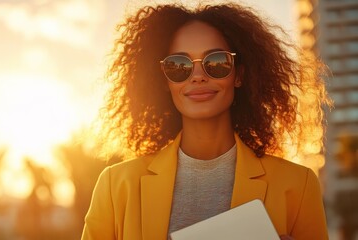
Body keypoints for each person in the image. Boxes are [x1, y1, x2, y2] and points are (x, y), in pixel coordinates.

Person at [82, 2, 331, 240]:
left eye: (216, 62)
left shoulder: (298, 184)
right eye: (179, 66)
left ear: (239, 75)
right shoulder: (115, 186)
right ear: (164, 81)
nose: (198, 76)